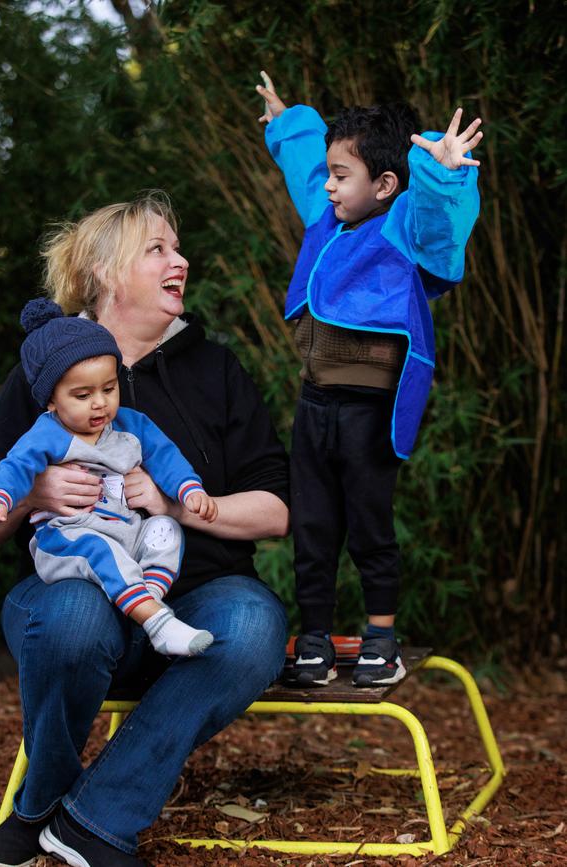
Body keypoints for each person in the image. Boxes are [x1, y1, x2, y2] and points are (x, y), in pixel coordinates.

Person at [0, 191, 290, 867]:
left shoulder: (214, 369)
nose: (182, 260)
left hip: (192, 606)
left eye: (178, 247)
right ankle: (42, 806)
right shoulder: (47, 370)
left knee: (255, 625)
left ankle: (92, 818)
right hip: (70, 595)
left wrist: (175, 507)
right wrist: (31, 493)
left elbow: (279, 511)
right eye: (159, 249)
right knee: (77, 617)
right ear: (110, 273)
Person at [255, 71, 482, 688]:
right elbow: (306, 167)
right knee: (314, 527)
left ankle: (381, 637)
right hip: (315, 404)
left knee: (370, 524)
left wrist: (442, 171)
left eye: (342, 175)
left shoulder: (403, 224)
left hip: (369, 411)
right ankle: (316, 640)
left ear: (384, 185)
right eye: (330, 173)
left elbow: (442, 225)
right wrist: (285, 122)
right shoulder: (326, 217)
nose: (328, 185)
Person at [0, 297, 219, 658]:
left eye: (109, 388)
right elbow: (14, 467)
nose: (100, 404)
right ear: (51, 401)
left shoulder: (131, 425)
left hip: (127, 533)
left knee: (167, 530)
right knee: (99, 550)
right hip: (69, 537)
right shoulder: (48, 434)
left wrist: (189, 488)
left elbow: (165, 455)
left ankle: (145, 598)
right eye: (82, 395)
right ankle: (158, 623)